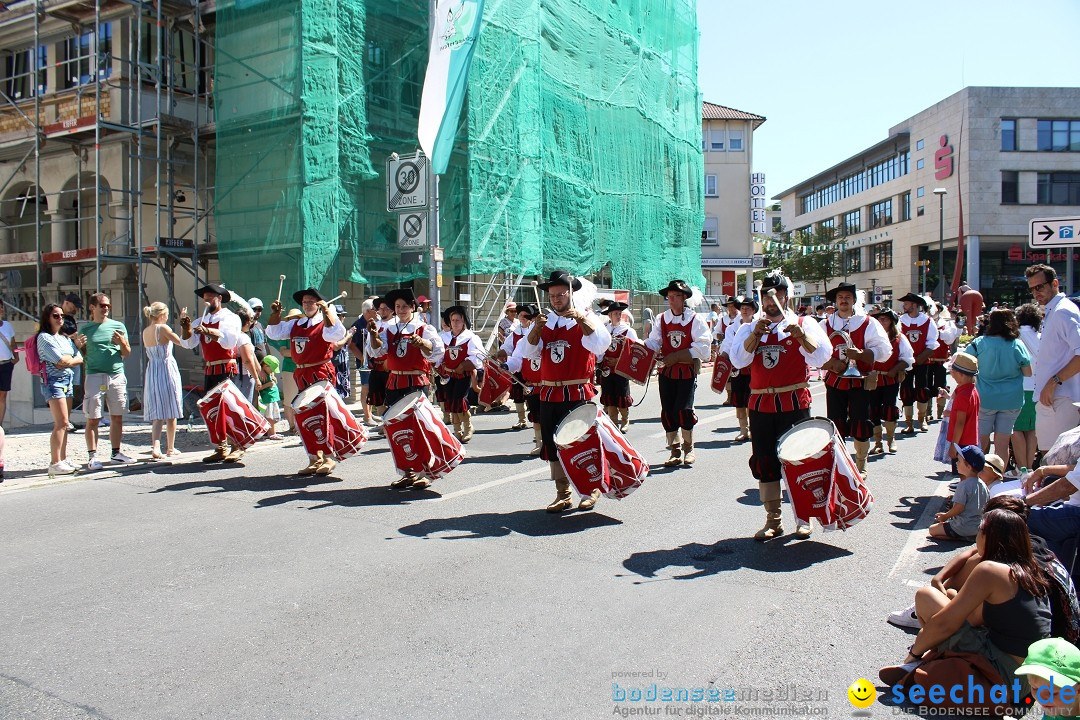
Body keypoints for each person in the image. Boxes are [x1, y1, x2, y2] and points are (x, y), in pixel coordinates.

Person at [879, 508, 1052, 695]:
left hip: (1003, 673)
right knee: (950, 604)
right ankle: (935, 658)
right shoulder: (1028, 569)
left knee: (926, 597)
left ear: (988, 536)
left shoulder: (990, 570)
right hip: (1030, 679)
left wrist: (914, 653)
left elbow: (946, 623)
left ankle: (920, 663)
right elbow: (976, 618)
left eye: (979, 530)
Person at [890, 496, 1080, 649]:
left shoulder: (1000, 570)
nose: (977, 534)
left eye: (982, 528)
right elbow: (973, 552)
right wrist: (940, 578)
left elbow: (972, 619)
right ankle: (932, 611)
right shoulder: (1027, 545)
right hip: (1056, 640)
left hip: (1029, 651)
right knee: (974, 563)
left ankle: (931, 627)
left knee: (933, 600)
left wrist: (953, 598)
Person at [729, 271, 831, 540]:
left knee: (799, 460)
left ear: (786, 296)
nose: (770, 300)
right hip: (761, 403)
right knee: (765, 460)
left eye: (776, 294)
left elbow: (822, 357)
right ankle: (773, 519)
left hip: (794, 400)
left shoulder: (804, 322)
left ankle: (803, 517)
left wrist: (799, 336)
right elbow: (738, 361)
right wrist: (755, 336)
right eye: (766, 295)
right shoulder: (749, 327)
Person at [520, 270, 611, 512]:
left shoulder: (588, 317)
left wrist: (583, 320)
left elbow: (601, 345)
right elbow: (527, 354)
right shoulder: (545, 321)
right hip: (549, 393)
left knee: (581, 441)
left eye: (561, 294)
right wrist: (536, 330)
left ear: (571, 293)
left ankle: (590, 489)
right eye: (552, 295)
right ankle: (563, 492)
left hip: (577, 391)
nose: (556, 299)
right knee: (552, 443)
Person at [367, 287, 445, 490]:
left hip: (416, 382)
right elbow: (378, 351)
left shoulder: (424, 328)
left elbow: (436, 352)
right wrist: (374, 335)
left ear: (412, 307)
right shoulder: (388, 328)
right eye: (397, 307)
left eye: (404, 306)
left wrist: (422, 344)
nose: (401, 310)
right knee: (398, 429)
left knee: (418, 428)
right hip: (394, 382)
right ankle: (407, 471)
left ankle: (424, 471)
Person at [266, 287, 347, 475]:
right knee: (304, 417)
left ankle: (328, 457)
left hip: (320, 372)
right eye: (304, 302)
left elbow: (336, 334)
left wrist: (327, 312)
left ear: (319, 304)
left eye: (312, 301)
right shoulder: (297, 323)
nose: (308, 304)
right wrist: (275, 314)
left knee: (322, 415)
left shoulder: (324, 322)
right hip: (300, 374)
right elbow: (273, 332)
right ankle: (313, 457)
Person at [818, 282, 891, 479]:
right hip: (835, 381)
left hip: (860, 382)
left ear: (854, 300)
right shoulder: (825, 324)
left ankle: (861, 463)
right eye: (840, 297)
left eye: (847, 297)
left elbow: (885, 351)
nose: (843, 300)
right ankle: (839, 463)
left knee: (861, 422)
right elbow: (813, 352)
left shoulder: (868, 323)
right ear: (835, 301)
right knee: (835, 423)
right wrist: (832, 363)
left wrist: (862, 354)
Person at [645, 280, 711, 467]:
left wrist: (678, 355)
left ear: (684, 299)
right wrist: (641, 350)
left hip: (686, 371)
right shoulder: (662, 319)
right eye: (670, 297)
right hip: (666, 372)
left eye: (676, 297)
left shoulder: (694, 319)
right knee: (668, 412)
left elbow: (704, 348)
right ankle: (674, 451)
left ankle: (688, 448)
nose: (672, 300)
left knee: (684, 410)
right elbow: (654, 342)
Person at [179, 283, 243, 463]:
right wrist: (186, 328)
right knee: (212, 409)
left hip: (225, 367)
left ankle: (236, 445)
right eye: (205, 298)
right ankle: (220, 447)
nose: (206, 301)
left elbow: (229, 341)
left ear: (220, 298)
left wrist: (208, 331)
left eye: (210, 297)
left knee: (228, 407)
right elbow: (188, 343)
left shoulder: (230, 318)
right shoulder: (201, 320)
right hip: (210, 368)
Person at [965, 308, 1032, 470]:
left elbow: (964, 363)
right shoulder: (1017, 344)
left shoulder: (980, 343)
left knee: (981, 441)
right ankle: (997, 477)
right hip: (1011, 400)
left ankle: (978, 476)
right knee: (1002, 444)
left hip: (985, 399)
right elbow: (1028, 372)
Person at [1027, 264, 1080, 454]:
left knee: (1054, 461)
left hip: (1061, 398)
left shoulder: (1062, 311)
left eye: (1039, 287)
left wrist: (1053, 382)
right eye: (1032, 288)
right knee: (1051, 460)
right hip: (1055, 398)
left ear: (1055, 283)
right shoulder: (1054, 310)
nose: (1035, 293)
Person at [79, 293, 136, 470]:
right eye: (102, 305)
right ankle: (92, 456)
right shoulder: (86, 330)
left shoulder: (118, 326)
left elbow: (126, 353)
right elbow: (82, 355)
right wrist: (79, 347)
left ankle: (115, 453)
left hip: (116, 374)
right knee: (93, 417)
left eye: (108, 306)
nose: (105, 309)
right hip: (94, 375)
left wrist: (122, 343)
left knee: (117, 416)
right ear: (92, 307)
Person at [36, 304, 83, 477]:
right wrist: (69, 360)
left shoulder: (64, 338)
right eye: (56, 316)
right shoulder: (44, 338)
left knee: (66, 423)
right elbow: (60, 360)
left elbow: (77, 358)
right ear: (47, 318)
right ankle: (54, 462)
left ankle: (63, 459)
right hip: (53, 382)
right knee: (61, 422)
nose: (60, 319)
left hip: (67, 380)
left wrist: (68, 360)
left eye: (61, 316)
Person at [867, 308, 913, 455]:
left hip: (890, 379)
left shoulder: (899, 339)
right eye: (879, 319)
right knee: (873, 410)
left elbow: (908, 359)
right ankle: (878, 443)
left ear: (892, 322)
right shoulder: (870, 338)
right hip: (873, 379)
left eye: (885, 319)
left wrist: (896, 369)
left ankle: (891, 439)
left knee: (889, 409)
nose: (882, 322)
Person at [141, 302, 183, 459]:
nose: (167, 317)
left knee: (157, 412)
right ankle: (170, 447)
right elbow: (181, 341)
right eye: (166, 314)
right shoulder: (164, 329)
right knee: (171, 410)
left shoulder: (146, 331)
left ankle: (156, 446)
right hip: (166, 367)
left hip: (152, 370)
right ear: (161, 315)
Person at [436, 304, 483, 442]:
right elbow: (438, 354)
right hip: (448, 376)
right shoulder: (443, 337)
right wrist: (438, 364)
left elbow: (478, 357)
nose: (455, 323)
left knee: (459, 400)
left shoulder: (470, 338)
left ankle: (468, 427)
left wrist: (463, 365)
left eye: (458, 320)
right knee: (450, 402)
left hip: (463, 375)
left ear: (464, 322)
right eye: (452, 320)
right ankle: (457, 431)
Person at [898, 292, 940, 434]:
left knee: (922, 389)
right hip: (905, 362)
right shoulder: (900, 321)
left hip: (922, 361)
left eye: (907, 304)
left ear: (914, 305)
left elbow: (932, 342)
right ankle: (909, 422)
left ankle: (922, 420)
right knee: (906, 390)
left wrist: (921, 357)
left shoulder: (927, 321)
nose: (904, 306)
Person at [929, 444, 990, 541]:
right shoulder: (983, 484)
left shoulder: (964, 485)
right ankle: (968, 535)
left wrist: (945, 516)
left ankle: (959, 536)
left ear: (969, 467)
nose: (956, 463)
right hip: (977, 527)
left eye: (959, 461)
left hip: (962, 526)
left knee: (932, 530)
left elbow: (959, 507)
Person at [505, 305, 543, 453]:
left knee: (549, 416)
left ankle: (551, 442)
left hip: (549, 386)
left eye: (534, 321)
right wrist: (507, 366)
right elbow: (516, 360)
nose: (532, 323)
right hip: (532, 385)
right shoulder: (522, 342)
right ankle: (539, 443)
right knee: (536, 416)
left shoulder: (547, 339)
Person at [597, 301, 637, 433]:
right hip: (607, 370)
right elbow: (599, 349)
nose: (618, 315)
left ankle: (625, 420)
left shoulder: (628, 331)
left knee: (622, 396)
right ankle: (613, 423)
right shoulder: (604, 330)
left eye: (620, 313)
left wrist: (619, 360)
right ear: (609, 315)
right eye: (616, 313)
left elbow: (634, 351)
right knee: (610, 397)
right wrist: (601, 359)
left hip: (621, 370)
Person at [721, 296, 756, 441]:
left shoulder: (758, 326)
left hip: (754, 370)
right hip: (738, 370)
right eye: (742, 308)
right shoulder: (732, 328)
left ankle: (754, 429)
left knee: (752, 401)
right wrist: (723, 357)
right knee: (739, 401)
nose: (745, 310)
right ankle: (743, 429)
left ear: (754, 311)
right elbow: (728, 346)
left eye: (748, 308)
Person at [1014, 303, 1043, 475]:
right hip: (1038, 387)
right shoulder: (1041, 336)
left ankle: (1021, 468)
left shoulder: (1015, 337)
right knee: (1032, 429)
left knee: (1015, 428)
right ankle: (1030, 467)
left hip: (1018, 387)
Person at [1016, 638, 1080, 715]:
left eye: (1053, 693)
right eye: (1034, 688)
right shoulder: (1055, 706)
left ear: (1078, 690)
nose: (1041, 698)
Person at [499, 303, 536, 431]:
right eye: (520, 315)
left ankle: (537, 420)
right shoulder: (516, 333)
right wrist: (497, 355)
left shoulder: (536, 330)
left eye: (525, 315)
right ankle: (522, 420)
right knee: (518, 393)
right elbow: (507, 348)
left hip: (534, 369)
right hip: (518, 367)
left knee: (533, 395)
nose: (522, 317)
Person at [946, 353, 981, 466]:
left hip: (962, 442)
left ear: (961, 374)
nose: (952, 375)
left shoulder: (963, 395)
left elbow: (960, 422)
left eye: (954, 372)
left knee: (962, 472)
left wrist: (954, 445)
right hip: (970, 440)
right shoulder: (972, 390)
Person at [363, 297, 393, 431]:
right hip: (377, 366)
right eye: (380, 308)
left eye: (386, 308)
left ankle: (392, 423)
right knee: (378, 397)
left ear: (392, 310)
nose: (383, 310)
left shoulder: (395, 324)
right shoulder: (375, 324)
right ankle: (385, 424)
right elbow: (369, 347)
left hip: (390, 367)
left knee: (391, 398)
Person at [928, 304, 961, 421]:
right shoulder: (925, 322)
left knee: (940, 385)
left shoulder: (946, 324)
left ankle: (940, 411)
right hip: (927, 361)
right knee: (926, 386)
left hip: (940, 361)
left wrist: (937, 332)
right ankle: (927, 412)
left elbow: (949, 338)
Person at [60, 293, 83, 431]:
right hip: (63, 357)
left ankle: (67, 420)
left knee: (70, 390)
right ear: (67, 303)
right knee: (63, 390)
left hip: (73, 354)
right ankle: (63, 421)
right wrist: (69, 337)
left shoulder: (70, 319)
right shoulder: (58, 316)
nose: (76, 310)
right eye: (74, 306)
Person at [257, 354, 284, 440]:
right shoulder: (262, 375)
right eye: (271, 369)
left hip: (272, 398)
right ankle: (272, 433)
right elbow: (258, 388)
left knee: (272, 417)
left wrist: (273, 376)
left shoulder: (269, 373)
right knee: (270, 418)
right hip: (268, 399)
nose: (272, 371)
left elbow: (272, 374)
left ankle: (268, 432)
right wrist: (269, 384)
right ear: (265, 366)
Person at [0, 304, 18, 427]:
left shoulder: (7, 325)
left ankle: (0, 426)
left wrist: (16, 357)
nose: (1, 310)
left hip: (6, 364)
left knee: (3, 395)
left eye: (1, 307)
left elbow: (13, 343)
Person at [246, 296, 269, 363]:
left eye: (260, 309)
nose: (257, 312)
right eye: (254, 309)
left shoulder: (261, 325)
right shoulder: (246, 326)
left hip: (263, 365)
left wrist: (269, 363)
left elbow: (265, 344)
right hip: (252, 365)